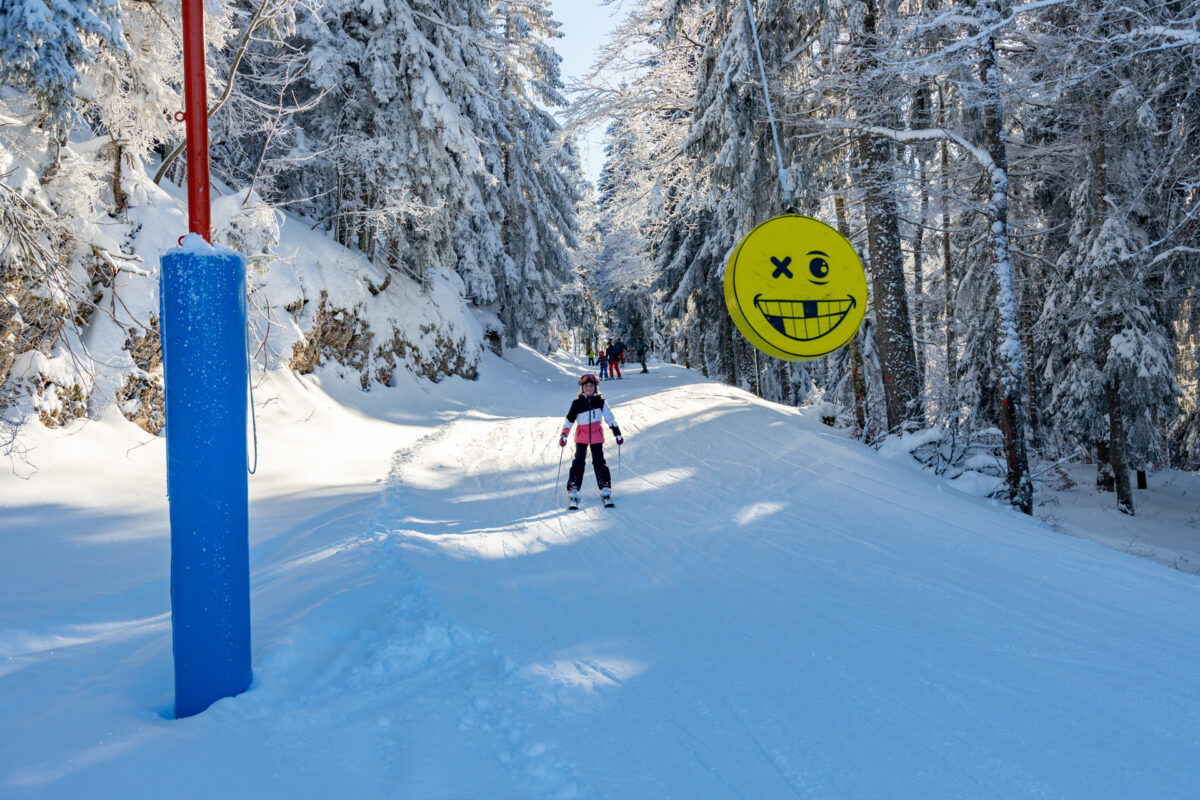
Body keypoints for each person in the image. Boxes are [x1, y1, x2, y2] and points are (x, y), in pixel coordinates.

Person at [559, 373, 623, 507]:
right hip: (581, 436)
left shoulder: (600, 402)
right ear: (581, 388)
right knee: (578, 462)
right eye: (586, 386)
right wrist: (564, 434)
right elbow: (569, 421)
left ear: (595, 387)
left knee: (599, 461)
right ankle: (573, 488)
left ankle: (605, 487)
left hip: (597, 437)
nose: (589, 388)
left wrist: (617, 433)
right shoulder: (576, 403)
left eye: (591, 386)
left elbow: (610, 418)